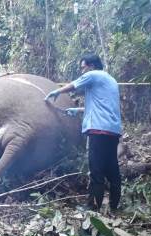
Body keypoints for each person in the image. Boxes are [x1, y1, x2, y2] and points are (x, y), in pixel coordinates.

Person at [45, 54, 122, 212]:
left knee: (96, 169)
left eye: (83, 67)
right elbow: (102, 107)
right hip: (112, 130)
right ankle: (115, 206)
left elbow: (74, 85)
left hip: (98, 130)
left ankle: (92, 206)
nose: (82, 71)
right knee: (112, 167)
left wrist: (58, 92)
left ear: (92, 66)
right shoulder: (111, 80)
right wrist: (78, 110)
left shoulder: (93, 75)